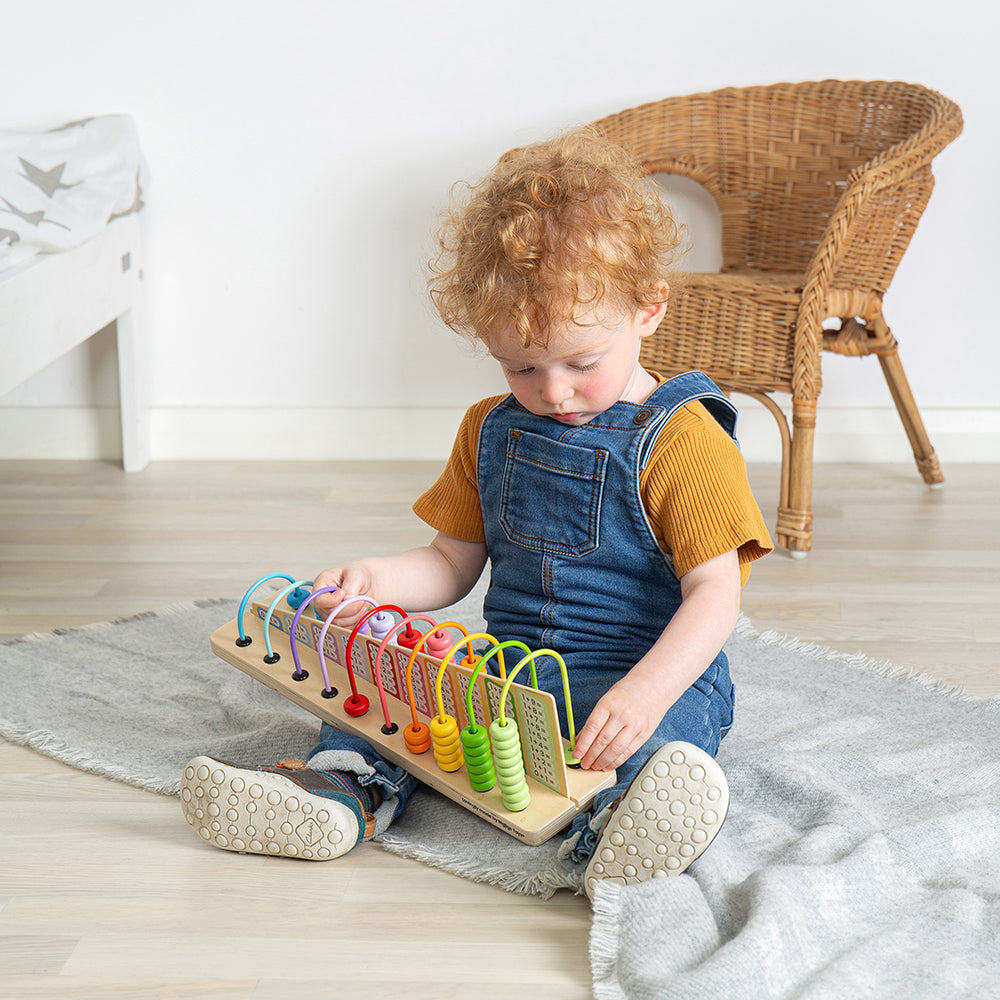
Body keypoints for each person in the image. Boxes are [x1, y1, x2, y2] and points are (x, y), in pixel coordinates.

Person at [181, 127, 773, 898]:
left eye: (581, 363)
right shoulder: (490, 428)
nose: (552, 391)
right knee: (384, 683)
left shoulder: (683, 440)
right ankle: (338, 792)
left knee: (665, 748)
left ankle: (620, 827)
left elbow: (715, 596)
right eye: (521, 366)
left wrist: (648, 691)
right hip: (507, 676)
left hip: (640, 673)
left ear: (648, 310)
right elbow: (449, 563)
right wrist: (372, 581)